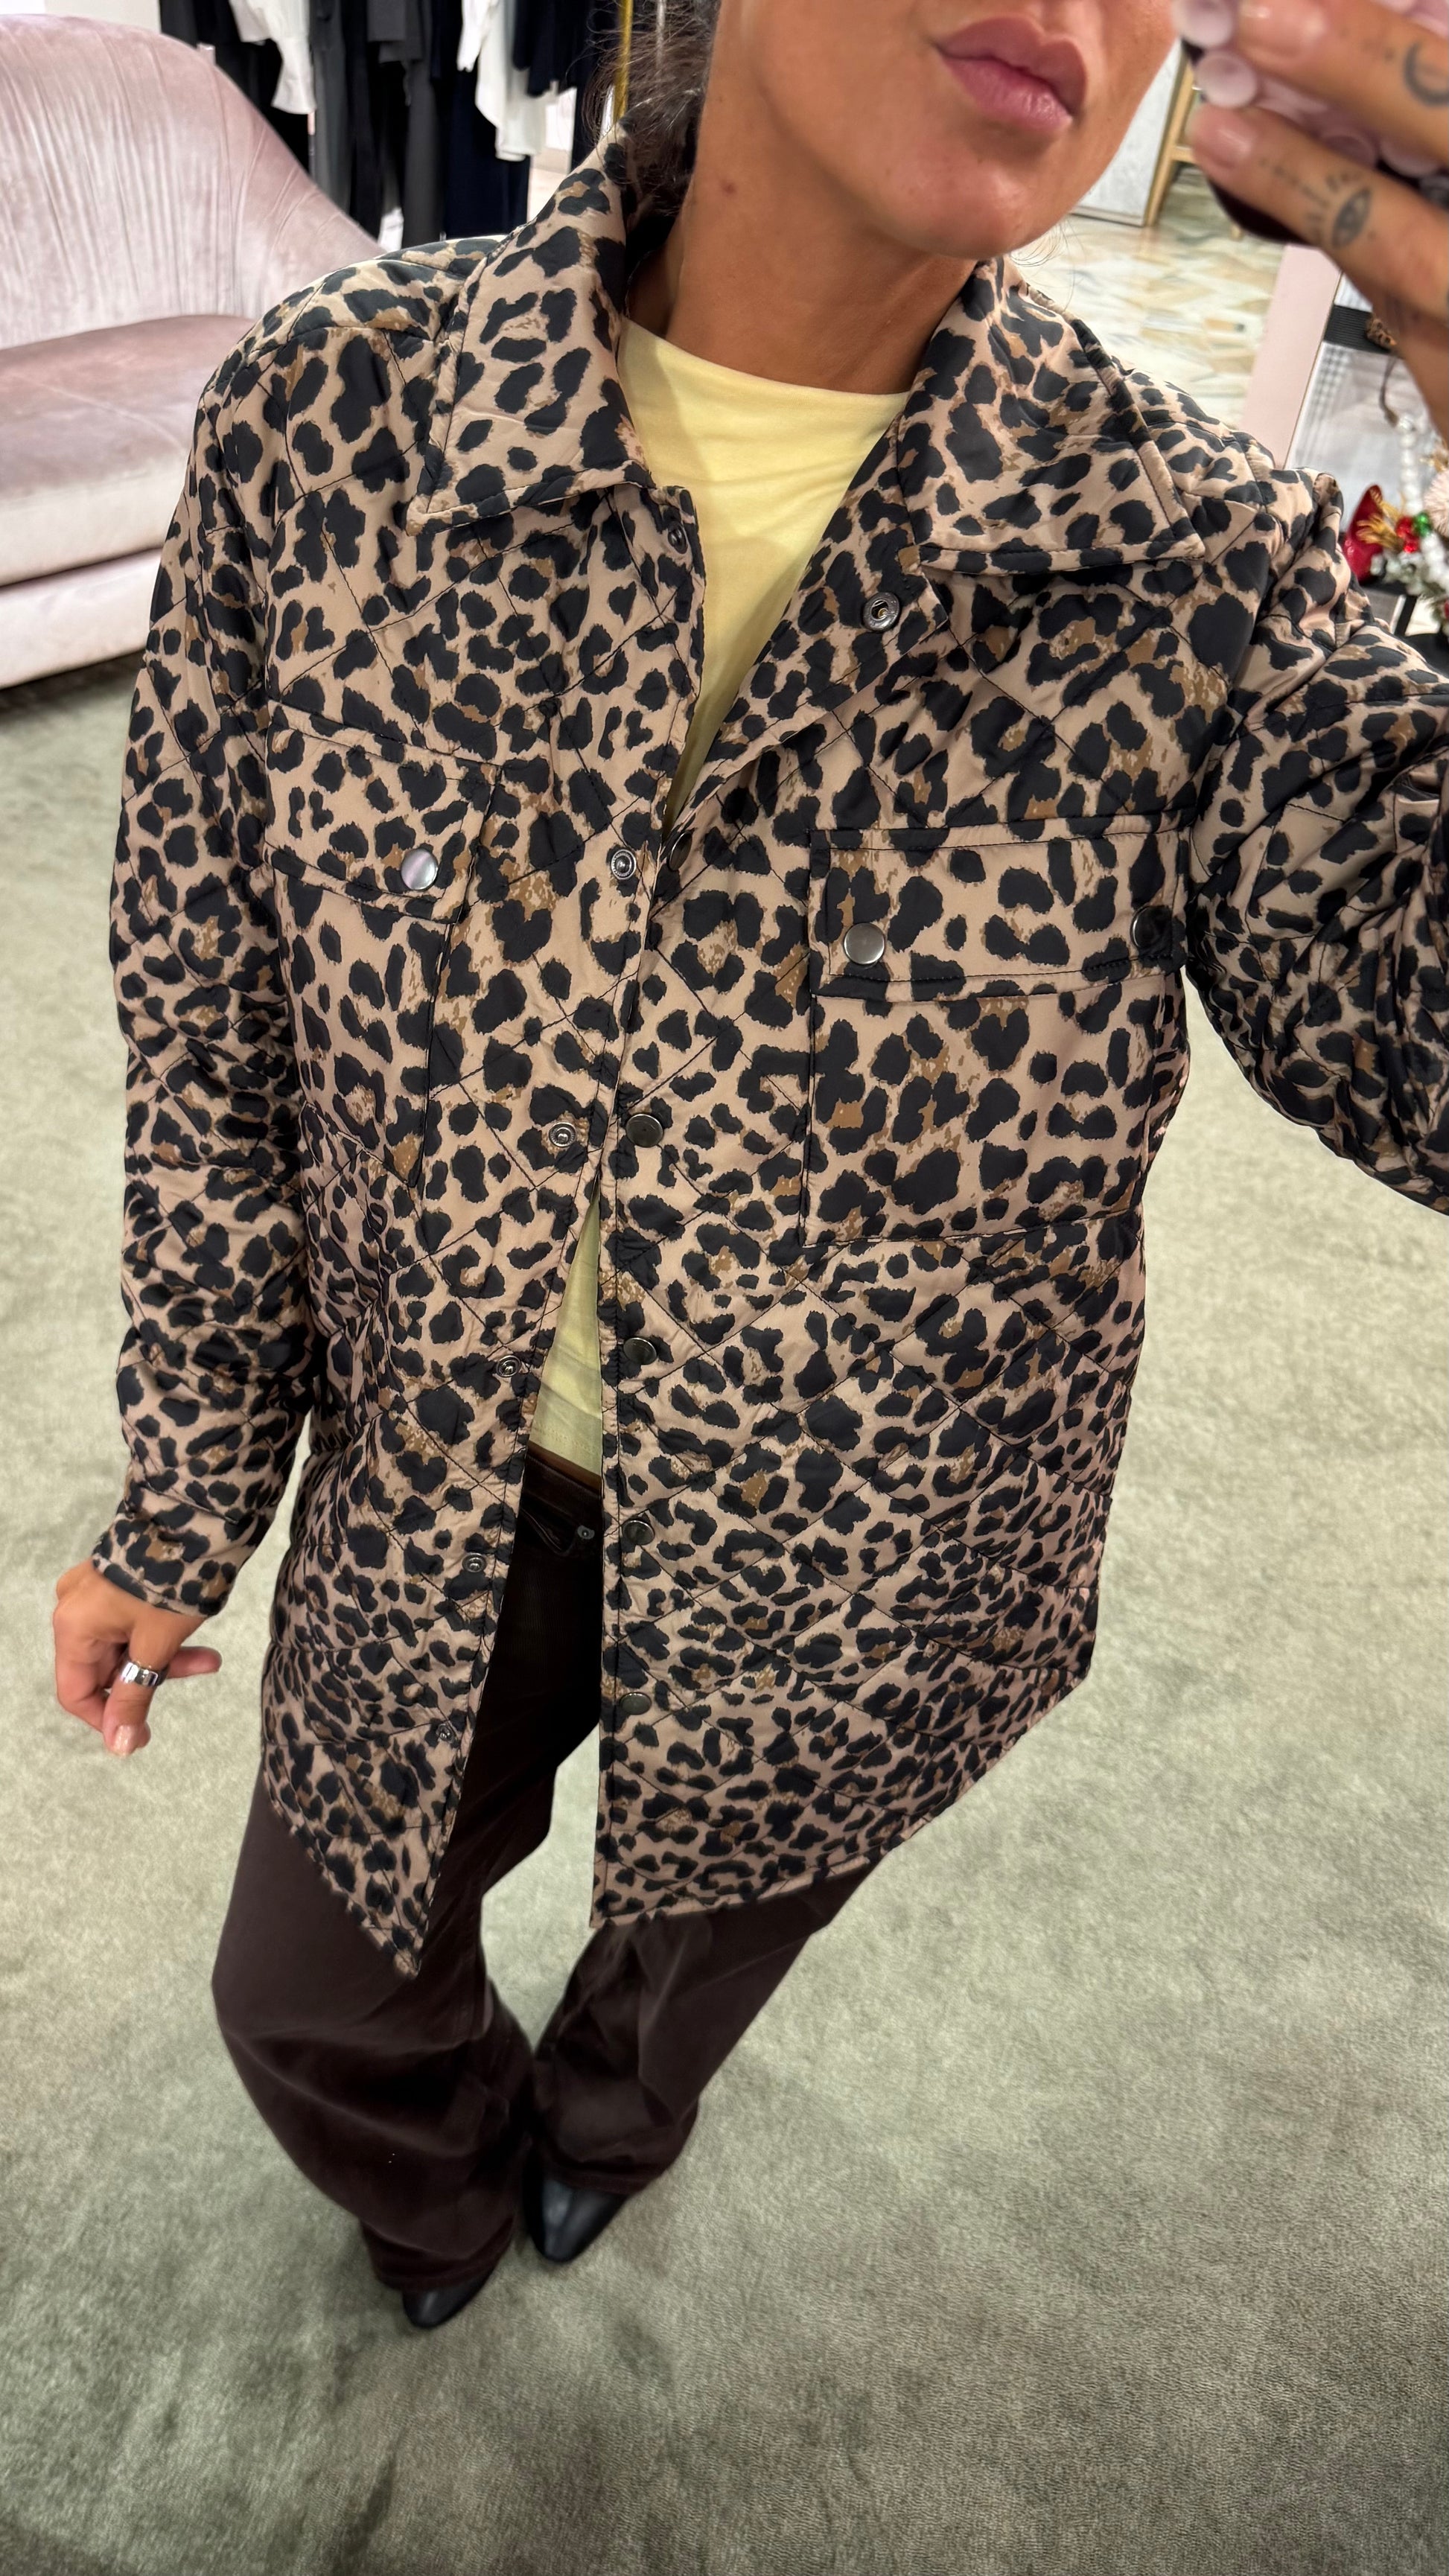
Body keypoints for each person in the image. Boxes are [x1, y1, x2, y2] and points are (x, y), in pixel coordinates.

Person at [52, 0, 1449, 2332]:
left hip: (875, 1555)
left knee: (693, 1961)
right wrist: (182, 1497)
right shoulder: (337, 420)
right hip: (442, 1487)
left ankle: (607, 2131)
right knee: (303, 1994)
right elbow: (211, 1026)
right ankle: (445, 2196)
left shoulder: (1179, 562)